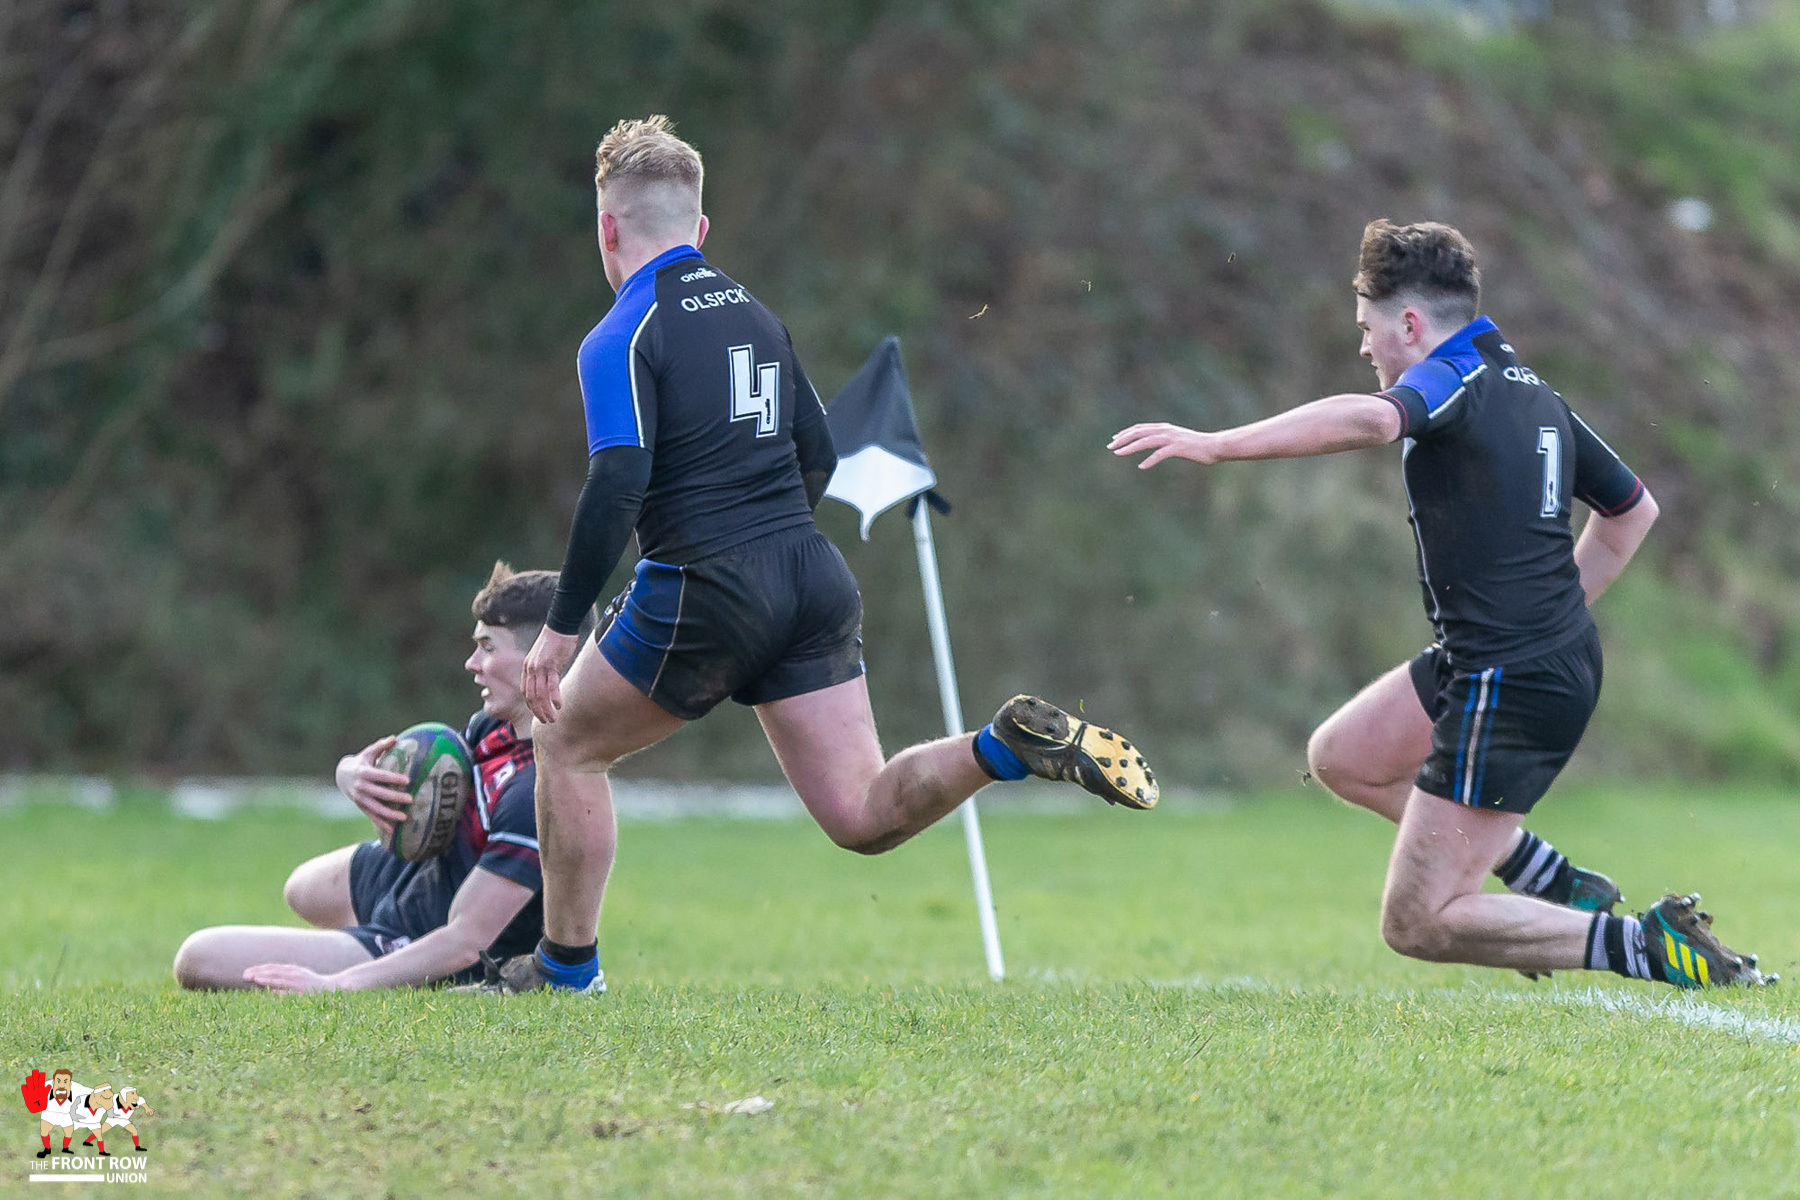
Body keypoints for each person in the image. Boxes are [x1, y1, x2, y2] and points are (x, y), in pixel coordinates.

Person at [479, 115, 1158, 994]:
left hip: (705, 581)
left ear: (607, 229)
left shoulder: (621, 333)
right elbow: (819, 454)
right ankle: (1002, 745)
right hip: (810, 574)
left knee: (565, 741)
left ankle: (566, 973)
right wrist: (766, 551)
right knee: (862, 814)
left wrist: (561, 629)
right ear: (701, 228)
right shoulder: (758, 317)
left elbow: (617, 483)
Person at [1110, 218, 1771, 989]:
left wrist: (1218, 443)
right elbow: (1633, 512)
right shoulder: (1530, 388)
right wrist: (1554, 613)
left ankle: (1648, 946)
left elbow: (1374, 420)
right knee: (1345, 758)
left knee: (1417, 922)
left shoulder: (1450, 376)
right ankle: (1554, 880)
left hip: (1512, 674)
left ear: (1410, 324)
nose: (1366, 350)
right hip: (1504, 658)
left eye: (1367, 330)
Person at [171, 563, 587, 992]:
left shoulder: (535, 790)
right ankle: (358, 942)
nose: (472, 663)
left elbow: (466, 941)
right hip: (420, 885)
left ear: (543, 656)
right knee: (303, 889)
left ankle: (382, 954)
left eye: (487, 647)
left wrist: (338, 982)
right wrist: (352, 774)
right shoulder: (492, 729)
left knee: (199, 957)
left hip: (429, 938)